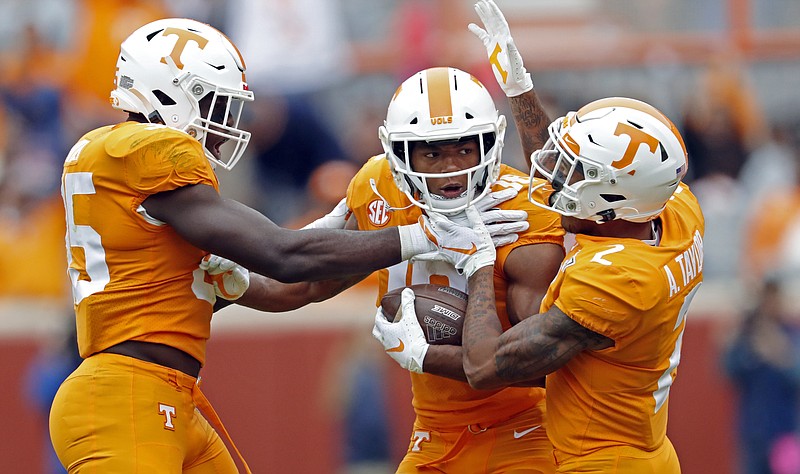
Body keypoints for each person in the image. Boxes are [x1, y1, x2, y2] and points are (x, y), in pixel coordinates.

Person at [50, 18, 493, 473]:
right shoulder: (151, 152)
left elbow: (284, 286)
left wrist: (360, 228)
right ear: (171, 94)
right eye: (214, 106)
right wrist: (425, 235)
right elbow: (283, 257)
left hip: (158, 394)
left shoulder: (117, 168)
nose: (223, 126)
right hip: (126, 396)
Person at [441, 96, 704, 473]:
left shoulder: (615, 281)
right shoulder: (673, 210)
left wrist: (479, 259)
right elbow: (568, 183)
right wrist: (520, 92)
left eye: (579, 173)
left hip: (603, 462)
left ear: (613, 199)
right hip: (643, 451)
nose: (561, 180)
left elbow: (484, 366)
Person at [723, 276, 800, 474]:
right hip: (752, 434)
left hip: (784, 434)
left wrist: (779, 353)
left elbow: (795, 377)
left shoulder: (792, 335)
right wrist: (732, 339)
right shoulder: (749, 337)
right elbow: (728, 370)